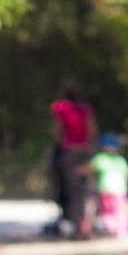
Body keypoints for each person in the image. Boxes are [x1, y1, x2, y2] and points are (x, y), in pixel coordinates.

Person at [46, 82, 97, 237]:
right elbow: (92, 129)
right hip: (85, 150)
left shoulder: (60, 108)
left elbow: (56, 129)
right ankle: (86, 225)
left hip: (69, 151)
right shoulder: (85, 109)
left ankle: (77, 226)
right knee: (86, 189)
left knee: (72, 190)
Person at [87, 131, 128, 239]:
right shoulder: (121, 160)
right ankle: (122, 230)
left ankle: (112, 229)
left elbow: (90, 169)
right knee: (120, 210)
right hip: (121, 190)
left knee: (108, 211)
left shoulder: (100, 158)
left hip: (106, 189)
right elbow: (126, 175)